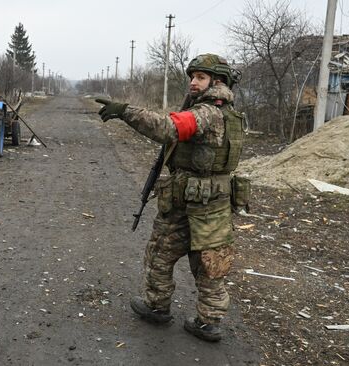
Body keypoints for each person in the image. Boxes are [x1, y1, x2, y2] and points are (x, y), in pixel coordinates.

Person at [96, 54, 243, 342]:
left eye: (200, 77)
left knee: (180, 259)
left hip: (192, 203)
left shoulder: (209, 113)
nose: (193, 82)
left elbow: (169, 127)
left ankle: (164, 308)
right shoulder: (227, 112)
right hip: (207, 204)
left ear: (218, 81)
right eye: (192, 76)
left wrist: (125, 111)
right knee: (195, 261)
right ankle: (199, 320)